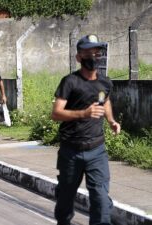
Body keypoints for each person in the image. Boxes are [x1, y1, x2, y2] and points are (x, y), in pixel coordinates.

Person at [51, 34, 121, 225]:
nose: (93, 56)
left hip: (97, 149)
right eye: (88, 52)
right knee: (65, 198)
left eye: (96, 52)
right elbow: (56, 113)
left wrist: (111, 120)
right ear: (78, 57)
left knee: (100, 198)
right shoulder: (70, 82)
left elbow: (105, 101)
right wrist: (84, 113)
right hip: (71, 151)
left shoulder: (105, 82)